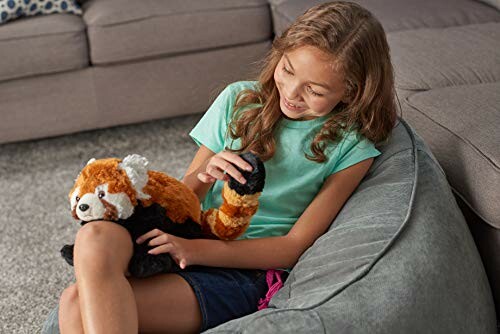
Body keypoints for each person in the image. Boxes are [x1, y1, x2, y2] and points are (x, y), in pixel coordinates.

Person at [42, 1, 398, 333]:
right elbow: (185, 197)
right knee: (95, 235)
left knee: (73, 304)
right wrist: (204, 172)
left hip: (243, 272)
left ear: (352, 92)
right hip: (190, 234)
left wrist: (195, 251)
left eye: (315, 90)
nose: (291, 91)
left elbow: (294, 245)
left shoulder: (352, 148)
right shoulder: (238, 100)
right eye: (287, 70)